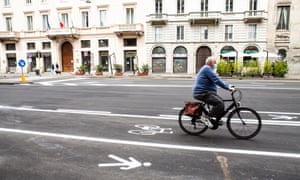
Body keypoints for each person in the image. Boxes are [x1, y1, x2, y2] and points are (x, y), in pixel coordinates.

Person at [193, 56, 234, 129]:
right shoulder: (207, 69)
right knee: (219, 103)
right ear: (211, 63)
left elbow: (217, 79)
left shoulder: (208, 69)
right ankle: (207, 118)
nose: (216, 64)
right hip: (202, 93)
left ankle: (215, 119)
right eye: (215, 63)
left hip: (207, 92)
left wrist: (228, 85)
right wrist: (227, 88)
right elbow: (217, 80)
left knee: (220, 102)